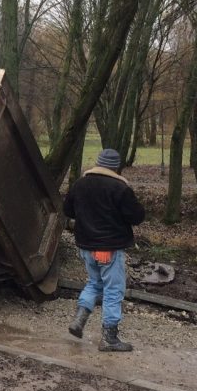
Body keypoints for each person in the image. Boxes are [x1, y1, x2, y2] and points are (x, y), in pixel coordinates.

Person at [63, 148, 145, 352]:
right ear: (116, 166)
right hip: (108, 248)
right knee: (113, 290)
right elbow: (136, 216)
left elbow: (68, 210)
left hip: (86, 246)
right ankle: (109, 338)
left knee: (94, 283)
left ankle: (79, 320)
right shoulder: (120, 188)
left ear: (98, 163)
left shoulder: (80, 184)